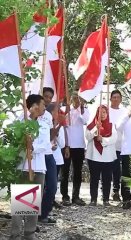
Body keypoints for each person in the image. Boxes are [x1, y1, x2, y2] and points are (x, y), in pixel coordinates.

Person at [11, 94, 47, 240]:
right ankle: (15, 234)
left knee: (33, 202)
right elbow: (15, 138)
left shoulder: (44, 124)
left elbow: (44, 144)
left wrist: (33, 146)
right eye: (42, 104)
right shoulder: (21, 121)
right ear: (35, 106)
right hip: (23, 166)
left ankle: (29, 233)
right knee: (20, 202)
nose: (44, 107)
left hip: (38, 167)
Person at [60, 93, 89, 206]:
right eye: (75, 98)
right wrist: (67, 111)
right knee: (65, 172)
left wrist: (81, 108)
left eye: (79, 98)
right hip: (66, 145)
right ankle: (65, 196)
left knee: (77, 172)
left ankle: (75, 196)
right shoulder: (64, 109)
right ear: (70, 98)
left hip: (79, 145)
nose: (77, 100)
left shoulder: (85, 110)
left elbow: (84, 121)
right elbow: (62, 125)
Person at [85, 105, 117, 206]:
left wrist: (103, 139)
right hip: (94, 156)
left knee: (107, 179)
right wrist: (96, 128)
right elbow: (88, 137)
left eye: (104, 112)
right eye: (100, 112)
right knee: (94, 179)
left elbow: (114, 139)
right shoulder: (91, 125)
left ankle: (106, 199)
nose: (102, 114)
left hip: (107, 157)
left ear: (107, 114)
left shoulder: (112, 125)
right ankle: (93, 199)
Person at [38, 88, 57, 224]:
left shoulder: (49, 116)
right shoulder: (27, 115)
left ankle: (43, 215)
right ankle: (26, 223)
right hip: (32, 156)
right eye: (45, 96)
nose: (48, 99)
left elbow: (50, 136)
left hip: (47, 154)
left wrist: (59, 125)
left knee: (52, 186)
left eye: (50, 97)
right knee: (28, 187)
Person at [108, 90, 127, 201]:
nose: (115, 99)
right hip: (108, 143)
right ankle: (104, 189)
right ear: (110, 98)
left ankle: (116, 190)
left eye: (118, 97)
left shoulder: (124, 111)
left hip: (120, 144)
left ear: (121, 99)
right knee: (107, 168)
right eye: (113, 97)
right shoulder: (106, 110)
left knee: (117, 169)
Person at [46, 103, 66, 209]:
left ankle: (49, 203)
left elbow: (62, 144)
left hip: (55, 158)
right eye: (55, 111)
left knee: (52, 185)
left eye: (58, 111)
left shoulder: (59, 125)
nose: (57, 114)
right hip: (41, 159)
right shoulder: (43, 123)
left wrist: (57, 131)